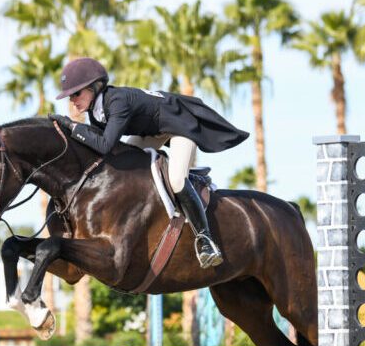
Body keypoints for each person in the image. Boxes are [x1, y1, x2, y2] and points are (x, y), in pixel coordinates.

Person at [50, 57, 248, 268]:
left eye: (76, 93)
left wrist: (72, 127)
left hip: (179, 126)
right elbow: (101, 148)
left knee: (177, 180)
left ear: (94, 87)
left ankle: (205, 239)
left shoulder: (117, 101)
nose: (72, 100)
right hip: (152, 131)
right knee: (127, 162)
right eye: (70, 96)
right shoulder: (96, 112)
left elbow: (105, 144)